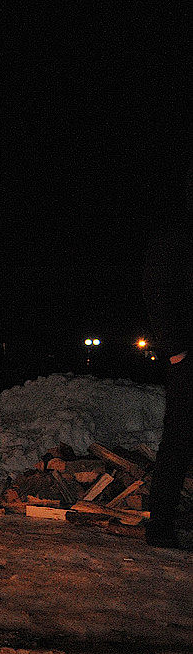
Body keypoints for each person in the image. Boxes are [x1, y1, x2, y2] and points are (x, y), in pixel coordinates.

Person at [143, 170, 193, 550]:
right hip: (188, 354)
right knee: (179, 438)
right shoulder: (176, 235)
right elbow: (157, 289)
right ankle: (159, 524)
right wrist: (174, 348)